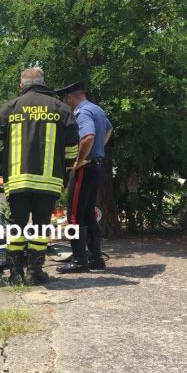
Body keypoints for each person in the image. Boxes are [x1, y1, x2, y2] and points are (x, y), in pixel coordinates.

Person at [0, 68, 80, 285]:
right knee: (41, 226)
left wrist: (4, 164)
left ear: (22, 85)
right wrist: (64, 169)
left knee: (16, 225)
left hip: (18, 180)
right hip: (49, 181)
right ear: (43, 83)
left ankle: (14, 273)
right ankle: (34, 272)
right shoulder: (61, 109)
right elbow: (72, 146)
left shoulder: (10, 108)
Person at [55, 82, 113, 273]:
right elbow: (108, 129)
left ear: (70, 97)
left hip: (85, 168)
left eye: (65, 100)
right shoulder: (97, 110)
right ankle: (96, 259)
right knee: (88, 215)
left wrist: (79, 160)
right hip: (97, 166)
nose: (66, 104)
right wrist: (99, 150)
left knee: (73, 215)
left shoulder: (82, 112)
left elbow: (87, 136)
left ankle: (80, 261)